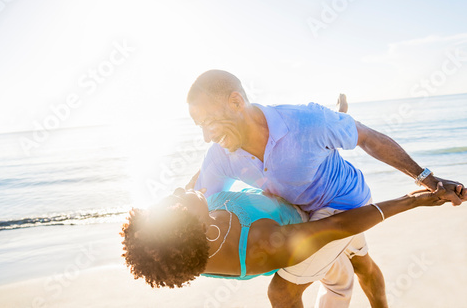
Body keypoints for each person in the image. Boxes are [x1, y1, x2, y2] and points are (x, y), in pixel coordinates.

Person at [186, 70, 466, 308]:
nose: (206, 136)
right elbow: (194, 200)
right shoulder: (220, 155)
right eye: (199, 127)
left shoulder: (306, 121)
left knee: (282, 292)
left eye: (209, 122)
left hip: (349, 205)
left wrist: (426, 177)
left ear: (236, 102)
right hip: (302, 212)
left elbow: (368, 138)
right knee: (361, 265)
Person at [121, 185, 448, 308]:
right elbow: (334, 226)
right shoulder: (260, 245)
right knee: (344, 275)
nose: (180, 188)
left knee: (363, 263)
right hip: (313, 235)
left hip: (306, 208)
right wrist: (412, 201)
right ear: (194, 230)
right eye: (177, 201)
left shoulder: (186, 236)